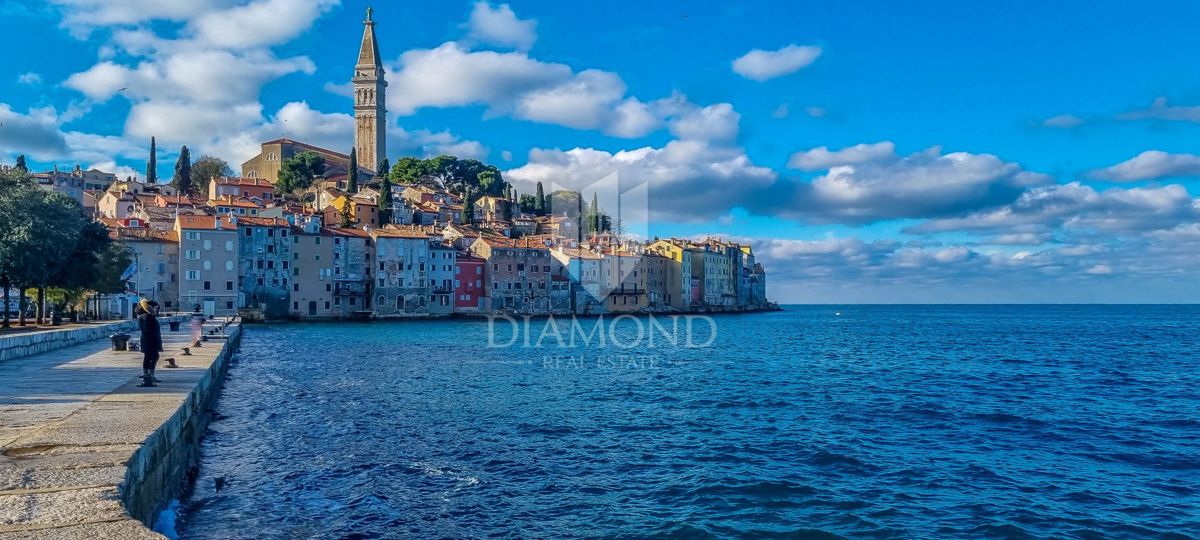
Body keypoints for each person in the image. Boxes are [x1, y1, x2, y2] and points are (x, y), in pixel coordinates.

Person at [136, 298, 163, 387]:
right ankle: (149, 375)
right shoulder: (146, 316)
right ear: (150, 307)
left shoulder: (146, 316)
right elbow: (147, 329)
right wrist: (154, 336)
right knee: (151, 356)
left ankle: (149, 375)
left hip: (149, 340)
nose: (157, 309)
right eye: (156, 308)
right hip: (150, 340)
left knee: (151, 356)